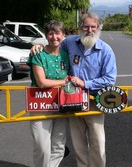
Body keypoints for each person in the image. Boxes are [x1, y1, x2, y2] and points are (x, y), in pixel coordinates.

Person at [31, 12, 117, 167]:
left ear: (98, 28)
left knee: (98, 142)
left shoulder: (106, 50)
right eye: (86, 26)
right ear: (80, 27)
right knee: (78, 144)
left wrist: (85, 83)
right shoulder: (69, 43)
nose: (89, 30)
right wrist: (39, 46)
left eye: (93, 27)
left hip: (93, 102)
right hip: (71, 100)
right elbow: (53, 45)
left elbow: (110, 78)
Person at [27, 20, 70, 167]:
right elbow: (42, 83)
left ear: (63, 35)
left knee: (58, 146)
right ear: (46, 36)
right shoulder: (38, 54)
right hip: (40, 105)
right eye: (50, 33)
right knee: (42, 147)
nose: (54, 37)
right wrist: (64, 82)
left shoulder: (66, 55)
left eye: (58, 33)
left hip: (62, 104)